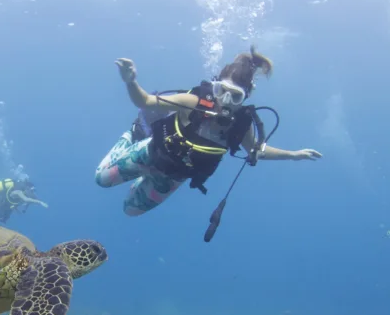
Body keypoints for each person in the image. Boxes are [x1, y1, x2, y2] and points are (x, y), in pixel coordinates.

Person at [95, 47, 323, 216]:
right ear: (214, 84)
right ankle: (133, 135)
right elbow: (144, 101)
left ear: (247, 97)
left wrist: (294, 155)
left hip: (173, 177)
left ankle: (145, 178)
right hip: (149, 152)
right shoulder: (193, 102)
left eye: (234, 96)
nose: (224, 100)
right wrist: (130, 81)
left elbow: (256, 150)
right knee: (102, 180)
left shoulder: (240, 125)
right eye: (220, 90)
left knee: (130, 211)